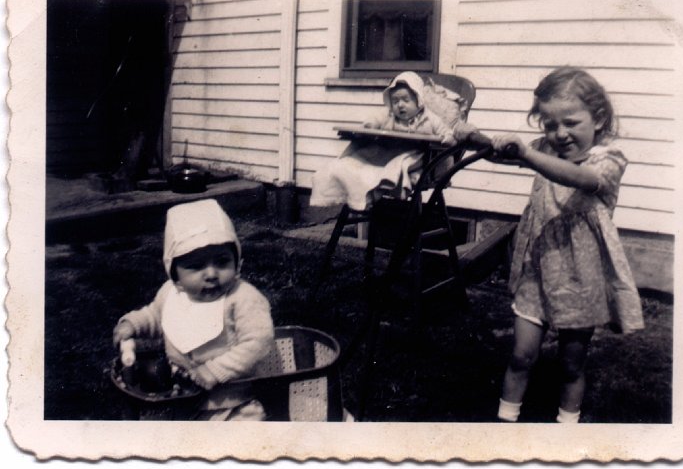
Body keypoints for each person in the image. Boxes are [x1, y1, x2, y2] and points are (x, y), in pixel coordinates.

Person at [490, 67, 644, 423]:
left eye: (571, 122)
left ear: (599, 117)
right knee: (521, 355)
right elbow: (506, 154)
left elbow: (580, 178)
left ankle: (567, 427)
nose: (560, 134)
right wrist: (478, 140)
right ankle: (503, 422)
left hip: (580, 276)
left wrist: (526, 154)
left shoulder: (608, 159)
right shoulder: (543, 149)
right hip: (538, 267)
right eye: (549, 125)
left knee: (572, 363)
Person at [113, 198, 275, 420]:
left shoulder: (243, 298)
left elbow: (257, 343)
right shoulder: (171, 293)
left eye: (222, 262)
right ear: (175, 274)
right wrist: (134, 324)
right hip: (184, 398)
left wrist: (214, 371)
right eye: (197, 266)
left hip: (234, 401)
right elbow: (156, 315)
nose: (211, 274)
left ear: (236, 261)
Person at [309, 71, 457, 211]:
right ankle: (362, 193)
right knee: (353, 163)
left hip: (416, 155)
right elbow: (374, 120)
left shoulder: (429, 118)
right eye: (395, 101)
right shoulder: (389, 115)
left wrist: (447, 137)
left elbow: (444, 130)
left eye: (406, 100)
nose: (400, 105)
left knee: (400, 164)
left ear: (418, 100)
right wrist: (370, 125)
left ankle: (385, 184)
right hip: (388, 151)